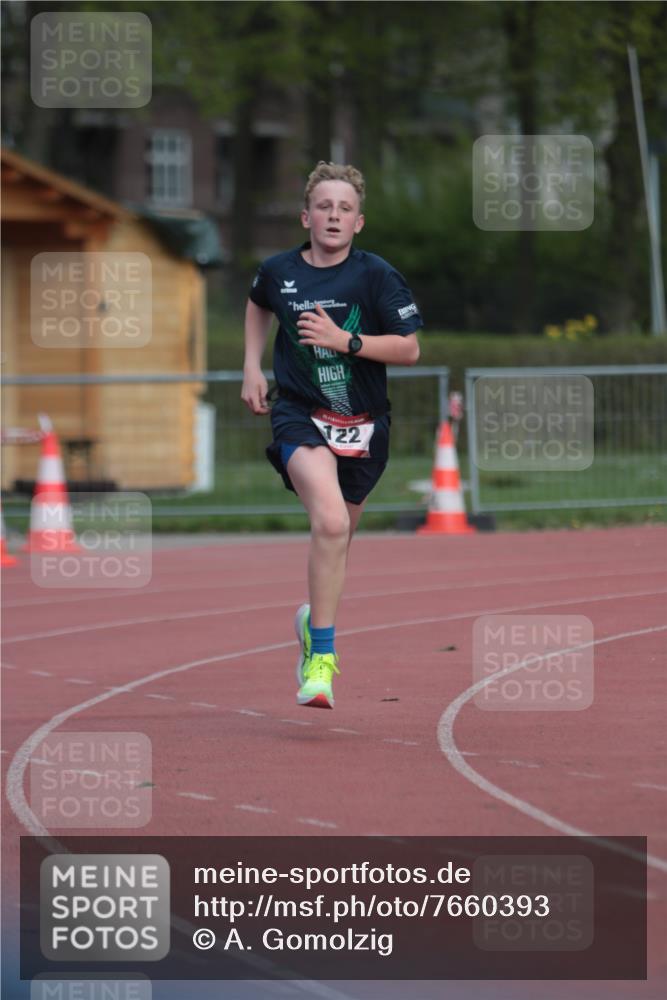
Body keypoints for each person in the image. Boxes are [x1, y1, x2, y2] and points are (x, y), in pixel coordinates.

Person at [241, 161, 422, 709]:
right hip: (299, 412)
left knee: (337, 539)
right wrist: (251, 366)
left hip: (365, 425)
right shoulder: (278, 271)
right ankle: (321, 660)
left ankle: (308, 622)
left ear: (359, 222)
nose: (334, 216)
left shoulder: (376, 276)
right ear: (307, 216)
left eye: (344, 208)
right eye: (325, 206)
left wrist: (346, 341)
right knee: (331, 520)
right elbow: (257, 304)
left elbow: (410, 349)